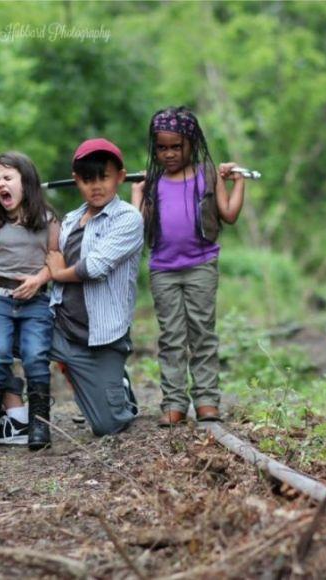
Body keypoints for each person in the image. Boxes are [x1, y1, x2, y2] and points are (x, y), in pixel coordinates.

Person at [0, 138, 143, 437]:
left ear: (120, 177)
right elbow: (47, 260)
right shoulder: (71, 220)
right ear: (76, 181)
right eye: (87, 179)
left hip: (100, 337)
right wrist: (39, 275)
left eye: (104, 177)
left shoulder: (128, 218)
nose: (96, 186)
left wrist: (54, 274)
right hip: (60, 327)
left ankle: (115, 384)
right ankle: (17, 413)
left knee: (109, 424)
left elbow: (93, 268)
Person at [131, 106, 245, 426]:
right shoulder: (152, 181)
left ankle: (207, 399)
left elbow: (229, 214)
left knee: (202, 332)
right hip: (163, 268)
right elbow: (136, 226)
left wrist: (238, 183)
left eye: (176, 147)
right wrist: (136, 192)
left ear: (191, 144)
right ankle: (174, 401)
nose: (169, 154)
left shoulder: (207, 173)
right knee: (171, 336)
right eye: (162, 147)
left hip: (201, 265)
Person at [0, 152, 60, 450]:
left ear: (26, 182)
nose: (1, 185)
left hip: (36, 301)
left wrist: (39, 280)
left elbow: (56, 262)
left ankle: (39, 425)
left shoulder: (47, 219)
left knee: (35, 356)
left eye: (7, 178)